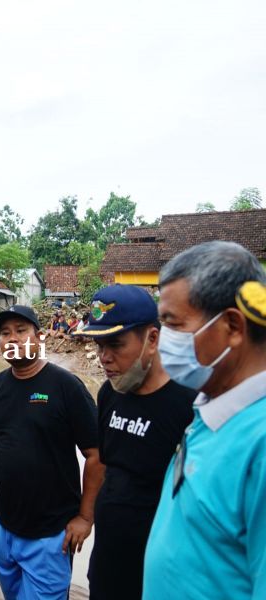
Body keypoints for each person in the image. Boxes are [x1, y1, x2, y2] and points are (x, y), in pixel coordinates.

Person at [143, 241, 266, 600]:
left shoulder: (259, 441)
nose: (164, 341)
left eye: (173, 324)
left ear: (232, 326)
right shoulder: (211, 411)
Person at [0, 304, 104, 600]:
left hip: (51, 535)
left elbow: (97, 454)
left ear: (39, 337)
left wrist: (85, 517)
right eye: (5, 333)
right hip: (4, 529)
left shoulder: (66, 386)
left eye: (21, 331)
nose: (13, 339)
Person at [75, 285, 194, 600]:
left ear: (152, 339)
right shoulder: (109, 394)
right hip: (107, 566)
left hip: (158, 577)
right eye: (99, 345)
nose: (104, 357)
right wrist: (87, 517)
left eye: (115, 344)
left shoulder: (187, 406)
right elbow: (103, 463)